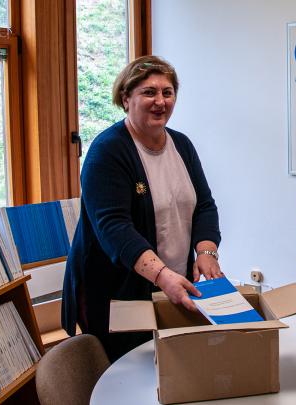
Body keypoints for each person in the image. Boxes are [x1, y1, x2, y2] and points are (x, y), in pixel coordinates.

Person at [62, 55, 222, 362]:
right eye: (149, 92)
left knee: (169, 368)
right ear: (126, 98)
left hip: (171, 285)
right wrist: (162, 276)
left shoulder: (182, 145)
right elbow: (115, 228)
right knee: (128, 374)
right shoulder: (107, 152)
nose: (160, 101)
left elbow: (204, 205)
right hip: (118, 294)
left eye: (167, 92)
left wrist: (206, 252)